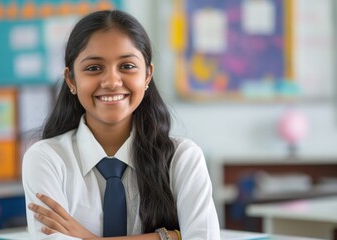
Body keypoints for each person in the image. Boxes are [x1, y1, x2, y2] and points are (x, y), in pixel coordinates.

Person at [22, 9, 220, 240]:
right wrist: (170, 237)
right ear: (71, 80)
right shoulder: (47, 159)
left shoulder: (182, 158)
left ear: (147, 76)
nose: (112, 82)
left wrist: (87, 238)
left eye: (127, 66)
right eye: (93, 68)